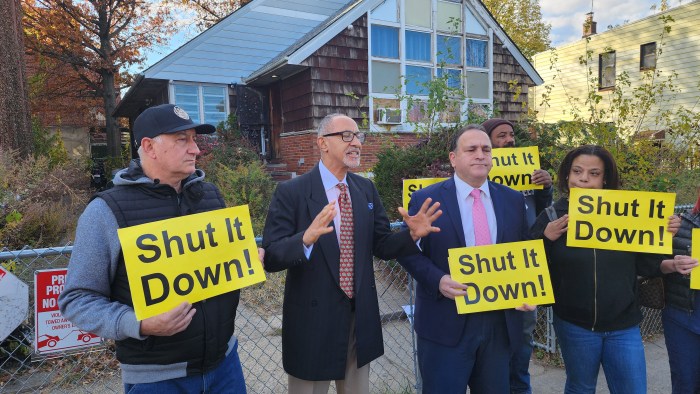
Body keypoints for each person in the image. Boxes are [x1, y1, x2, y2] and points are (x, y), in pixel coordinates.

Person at [59, 104, 257, 393]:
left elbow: (217, 269)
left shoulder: (210, 196)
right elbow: (76, 299)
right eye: (182, 140)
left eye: (194, 139)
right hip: (156, 379)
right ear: (150, 147)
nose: (196, 150)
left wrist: (246, 258)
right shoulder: (105, 211)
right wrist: (138, 324)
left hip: (225, 364)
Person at [261, 113, 442, 393]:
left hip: (359, 322)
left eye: (359, 136)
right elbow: (271, 256)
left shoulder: (365, 190)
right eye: (347, 135)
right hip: (312, 325)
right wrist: (305, 239)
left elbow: (381, 245)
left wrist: (411, 235)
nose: (356, 142)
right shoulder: (292, 192)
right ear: (322, 143)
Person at [529, 145, 685, 394]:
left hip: (624, 325)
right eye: (577, 171)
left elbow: (647, 265)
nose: (583, 179)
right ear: (567, 176)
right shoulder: (550, 215)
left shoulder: (629, 213)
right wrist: (545, 237)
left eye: (593, 173)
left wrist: (664, 234)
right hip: (574, 324)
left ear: (605, 180)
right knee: (580, 387)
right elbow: (528, 267)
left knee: (632, 389)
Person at [397, 125, 533, 394]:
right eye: (471, 149)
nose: (480, 155)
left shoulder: (513, 200)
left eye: (486, 150)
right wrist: (438, 280)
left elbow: (524, 254)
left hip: (499, 324)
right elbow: (406, 251)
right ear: (453, 158)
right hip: (446, 323)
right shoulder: (426, 199)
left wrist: (527, 288)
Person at [482, 118, 552, 394]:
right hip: (486, 269)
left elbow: (545, 214)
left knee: (522, 341)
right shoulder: (476, 175)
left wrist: (545, 188)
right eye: (502, 135)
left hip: (522, 268)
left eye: (511, 135)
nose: (509, 140)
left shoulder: (528, 173)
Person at [663, 188, 700, 394]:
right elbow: (649, 266)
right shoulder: (679, 225)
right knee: (685, 384)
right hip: (683, 319)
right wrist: (672, 264)